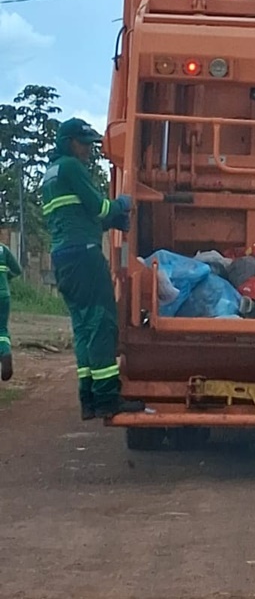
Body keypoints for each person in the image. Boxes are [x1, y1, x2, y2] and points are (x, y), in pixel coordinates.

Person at [41, 117, 144, 420]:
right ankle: (108, 398)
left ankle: (88, 398)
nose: (88, 150)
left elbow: (80, 216)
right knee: (102, 323)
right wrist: (122, 205)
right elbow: (99, 207)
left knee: (84, 327)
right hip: (85, 256)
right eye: (83, 144)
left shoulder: (51, 174)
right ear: (68, 142)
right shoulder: (72, 168)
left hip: (64, 258)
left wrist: (110, 220)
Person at [0, 240, 23, 381]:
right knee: (2, 329)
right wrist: (6, 277)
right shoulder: (3, 249)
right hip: (3, 295)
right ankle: (5, 352)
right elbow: (18, 270)